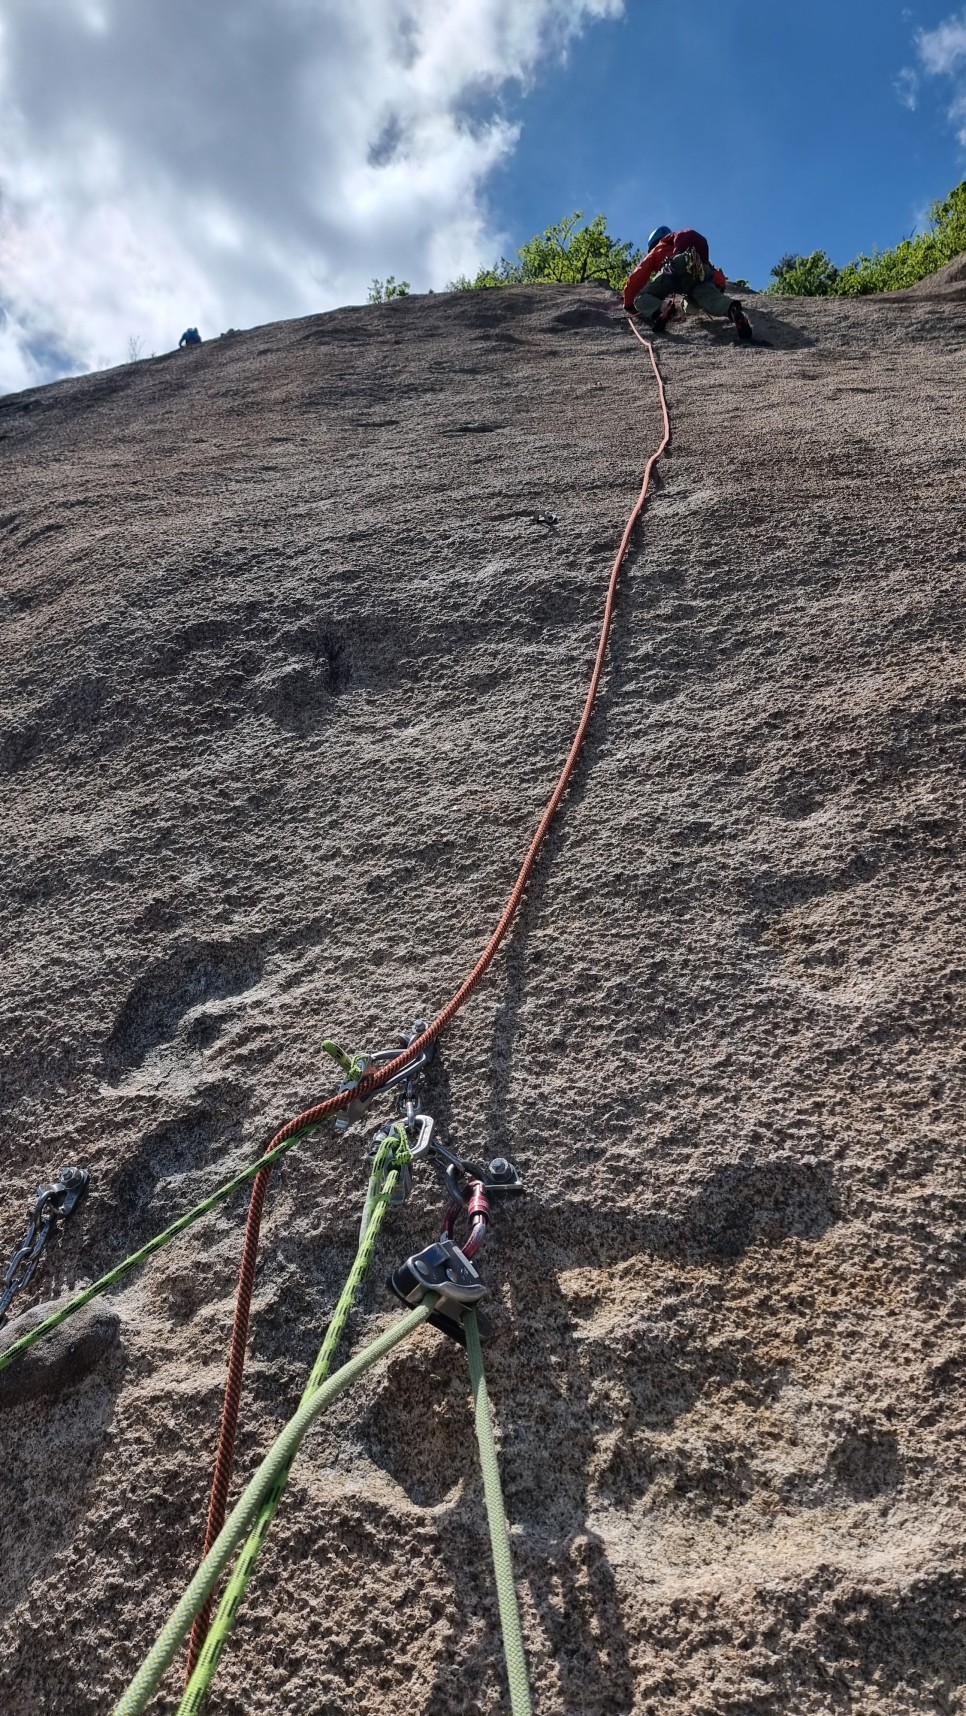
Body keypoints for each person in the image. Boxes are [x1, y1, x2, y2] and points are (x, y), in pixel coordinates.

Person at [624, 226, 753, 340]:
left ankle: (662, 310)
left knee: (641, 298)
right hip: (699, 269)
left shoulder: (658, 248)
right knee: (710, 299)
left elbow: (638, 275)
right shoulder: (688, 247)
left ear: (652, 244)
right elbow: (716, 277)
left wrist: (628, 302)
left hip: (674, 267)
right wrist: (718, 288)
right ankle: (732, 310)